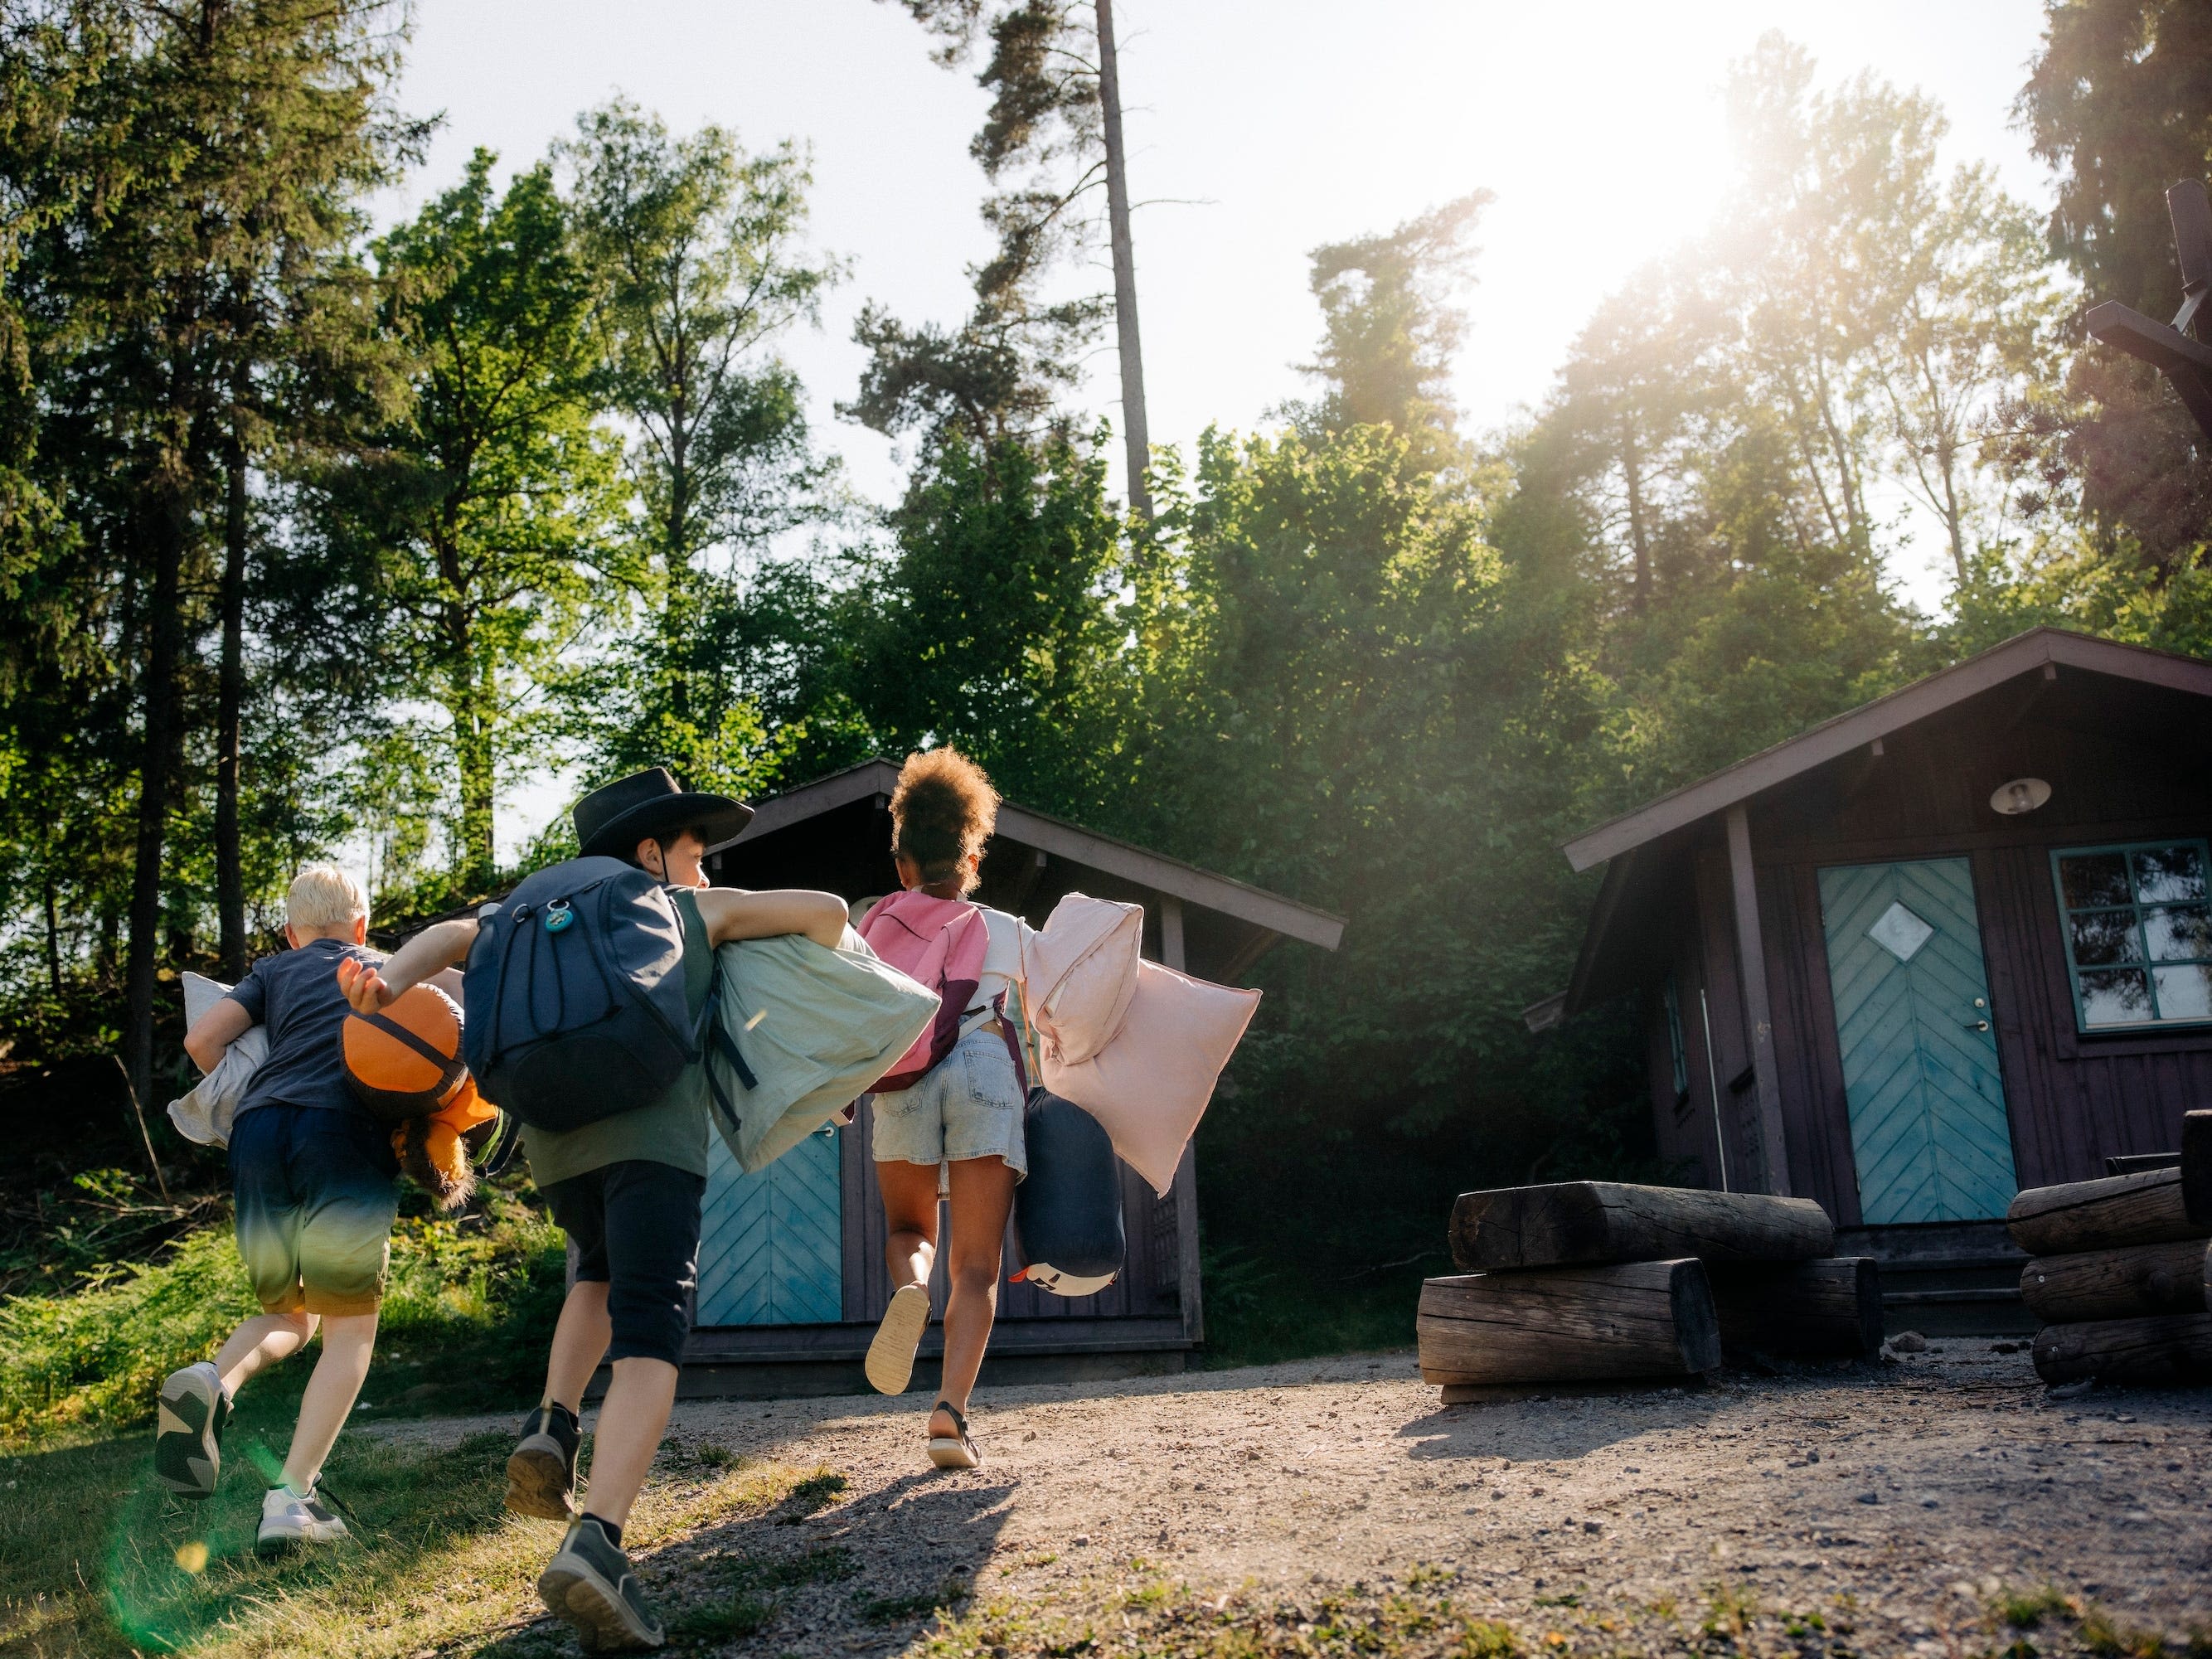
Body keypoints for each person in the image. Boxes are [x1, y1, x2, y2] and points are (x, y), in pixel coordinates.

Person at [340, 767, 846, 1654]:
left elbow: (446, 937)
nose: (702, 868)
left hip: (556, 1142)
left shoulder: (518, 913)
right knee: (653, 1326)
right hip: (653, 1138)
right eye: (695, 852)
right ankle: (599, 1543)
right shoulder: (685, 908)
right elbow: (830, 912)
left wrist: (381, 982)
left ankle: (553, 1422)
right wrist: (727, 920)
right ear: (651, 851)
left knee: (597, 1272)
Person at [160, 865, 449, 1550]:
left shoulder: (271, 972)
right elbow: (451, 1017)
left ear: (292, 932)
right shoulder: (379, 967)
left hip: (259, 1136)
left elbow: (201, 1042)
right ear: (362, 925)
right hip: (341, 1134)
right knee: (351, 1330)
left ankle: (211, 1380)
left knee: (289, 1314)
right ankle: (293, 1500)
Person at [861, 747, 1035, 1470]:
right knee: (978, 1265)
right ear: (971, 856)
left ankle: (910, 1292)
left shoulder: (872, 928)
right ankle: (949, 1417)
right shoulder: (1007, 929)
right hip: (985, 1067)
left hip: (906, 1076)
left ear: (903, 862)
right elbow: (1058, 1021)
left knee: (911, 1229)